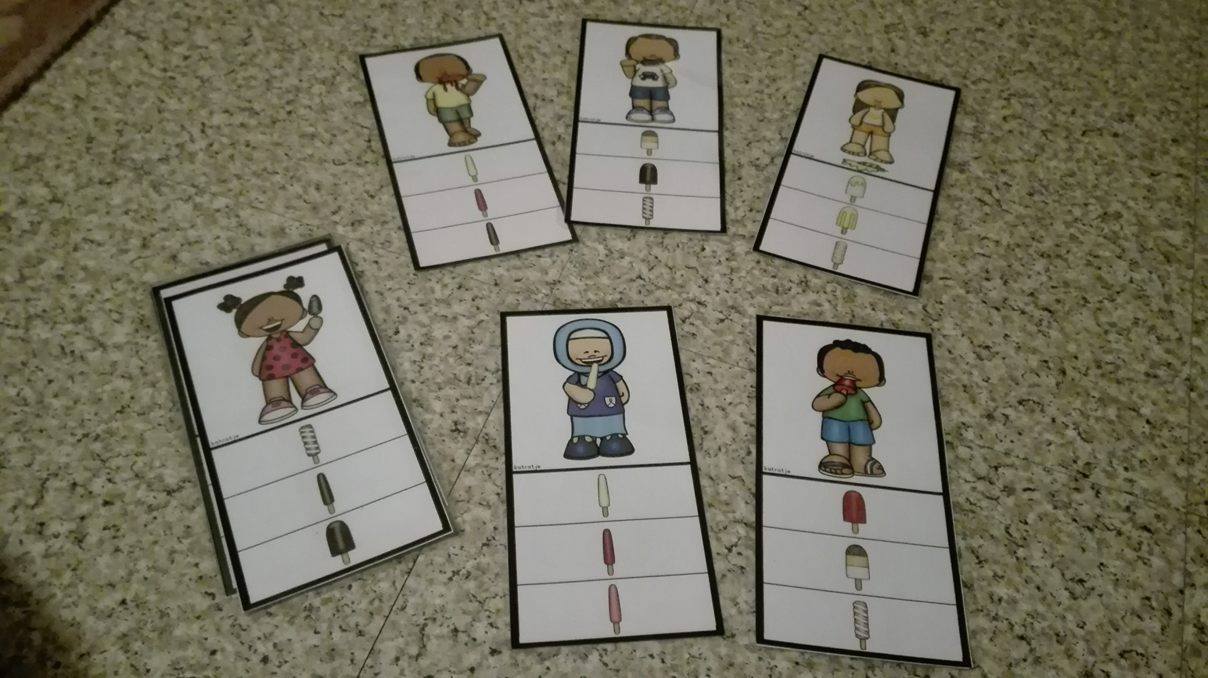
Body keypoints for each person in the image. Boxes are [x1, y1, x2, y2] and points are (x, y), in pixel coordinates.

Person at [216, 276, 337, 425]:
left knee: (305, 374)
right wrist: (257, 370)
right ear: (244, 333)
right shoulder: (266, 344)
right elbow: (257, 363)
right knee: (274, 384)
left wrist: (312, 326)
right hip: (272, 370)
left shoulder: (289, 335)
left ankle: (312, 389)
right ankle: (277, 402)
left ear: (302, 313)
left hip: (299, 362)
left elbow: (305, 338)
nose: (271, 320)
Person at [552, 318, 635, 460]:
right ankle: (583, 439)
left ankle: (614, 437)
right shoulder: (576, 377)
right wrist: (580, 394)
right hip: (583, 413)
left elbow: (622, 390)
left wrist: (623, 395)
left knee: (614, 434)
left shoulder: (610, 374)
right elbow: (569, 387)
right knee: (582, 437)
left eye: (598, 348)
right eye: (582, 349)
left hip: (611, 410)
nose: (591, 353)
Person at [811, 339, 885, 477]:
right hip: (835, 422)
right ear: (821, 370)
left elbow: (869, 406)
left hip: (861, 424)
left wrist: (875, 420)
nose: (850, 372)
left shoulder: (860, 394)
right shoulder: (832, 390)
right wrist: (834, 399)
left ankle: (862, 462)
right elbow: (817, 404)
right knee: (837, 441)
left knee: (861, 443)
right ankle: (839, 459)